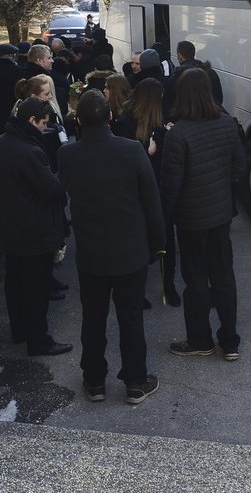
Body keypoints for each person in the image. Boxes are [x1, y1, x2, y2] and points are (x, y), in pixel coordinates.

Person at [57, 90, 164, 404]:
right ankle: (135, 381)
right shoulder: (132, 150)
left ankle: (94, 381)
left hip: (91, 252)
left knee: (93, 318)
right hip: (130, 251)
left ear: (78, 121)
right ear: (111, 117)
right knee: (131, 318)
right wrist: (159, 245)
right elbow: (151, 200)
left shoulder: (67, 155)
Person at [160, 68, 246, 361]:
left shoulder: (178, 133)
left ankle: (200, 339)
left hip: (191, 219)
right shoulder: (226, 123)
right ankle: (230, 340)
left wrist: (164, 218)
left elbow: (171, 183)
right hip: (221, 215)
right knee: (224, 277)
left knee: (196, 280)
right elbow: (238, 168)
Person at [0, 97, 71, 357]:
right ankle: (38, 340)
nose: (46, 128)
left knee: (15, 283)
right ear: (32, 120)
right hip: (34, 231)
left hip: (8, 227)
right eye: (44, 123)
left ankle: (20, 330)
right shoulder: (30, 151)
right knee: (36, 288)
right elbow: (52, 188)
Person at [112, 77, 178, 306]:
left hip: (157, 186)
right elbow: (124, 157)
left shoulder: (154, 121)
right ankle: (137, 292)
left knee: (166, 238)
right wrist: (150, 145)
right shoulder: (124, 123)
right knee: (140, 241)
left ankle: (168, 286)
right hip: (137, 190)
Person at [174, 40, 224, 106]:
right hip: (211, 113)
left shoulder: (177, 76)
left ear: (180, 57)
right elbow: (219, 98)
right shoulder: (211, 72)